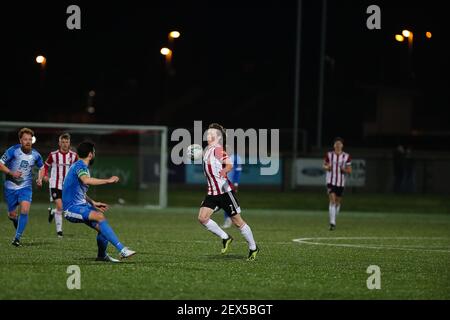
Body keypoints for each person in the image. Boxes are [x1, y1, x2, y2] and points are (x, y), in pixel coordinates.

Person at [62, 141, 135, 262]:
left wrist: (93, 202)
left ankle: (102, 256)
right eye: (94, 152)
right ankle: (122, 250)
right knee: (99, 217)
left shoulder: (78, 166)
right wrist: (108, 180)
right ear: (90, 154)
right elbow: (86, 180)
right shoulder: (80, 166)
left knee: (102, 224)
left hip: (81, 206)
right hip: (71, 209)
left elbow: (78, 191)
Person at [197, 123, 259, 261]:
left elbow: (229, 164)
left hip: (225, 192)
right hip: (212, 193)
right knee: (202, 218)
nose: (208, 135)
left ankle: (253, 247)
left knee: (238, 222)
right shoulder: (207, 150)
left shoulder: (218, 149)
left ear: (218, 137)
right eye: (207, 133)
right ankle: (225, 237)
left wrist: (224, 171)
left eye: (211, 133)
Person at [0, 128, 45, 246]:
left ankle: (17, 239)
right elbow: (0, 164)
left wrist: (40, 178)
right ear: (20, 140)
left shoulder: (36, 155)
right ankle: (17, 225)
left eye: (30, 139)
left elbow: (42, 167)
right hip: (10, 187)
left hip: (26, 187)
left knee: (24, 210)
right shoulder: (12, 151)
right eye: (25, 139)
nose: (28, 142)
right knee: (12, 215)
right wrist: (11, 173)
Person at [41, 133, 78, 238]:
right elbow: (45, 166)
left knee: (64, 209)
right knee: (60, 207)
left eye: (67, 142)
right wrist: (44, 176)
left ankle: (53, 212)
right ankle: (59, 232)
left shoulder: (74, 156)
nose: (65, 144)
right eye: (63, 142)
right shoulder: (53, 155)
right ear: (59, 143)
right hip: (55, 184)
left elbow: (77, 169)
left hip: (67, 186)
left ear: (69, 143)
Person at [323, 137, 352, 231]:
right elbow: (324, 165)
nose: (338, 145)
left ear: (342, 145)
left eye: (340, 144)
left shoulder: (346, 156)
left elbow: (349, 170)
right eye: (336, 144)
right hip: (330, 181)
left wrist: (344, 170)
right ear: (334, 145)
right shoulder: (329, 154)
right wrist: (327, 167)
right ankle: (332, 222)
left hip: (341, 182)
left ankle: (333, 219)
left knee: (338, 202)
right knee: (332, 200)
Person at [221, 152, 242, 229]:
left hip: (231, 184)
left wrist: (236, 183)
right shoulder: (221, 156)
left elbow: (238, 172)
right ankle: (229, 219)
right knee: (224, 201)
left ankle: (230, 219)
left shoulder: (236, 158)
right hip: (222, 183)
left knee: (228, 202)